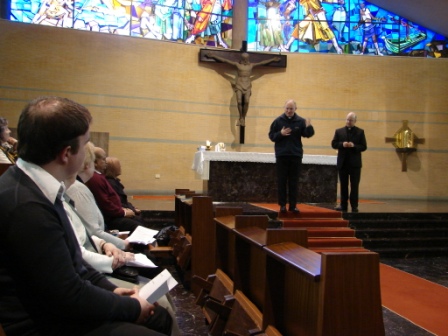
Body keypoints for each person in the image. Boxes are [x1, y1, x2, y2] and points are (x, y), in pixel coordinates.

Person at [0, 96, 172, 335]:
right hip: (41, 323)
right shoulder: (27, 206)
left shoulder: (39, 187)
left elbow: (74, 260)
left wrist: (110, 289)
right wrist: (131, 307)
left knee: (158, 317)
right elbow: (67, 295)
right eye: (85, 144)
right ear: (67, 153)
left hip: (57, 309)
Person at [205, 51, 281, 126]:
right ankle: (241, 117)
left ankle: (243, 117)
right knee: (239, 101)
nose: (245, 60)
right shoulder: (237, 65)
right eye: (244, 58)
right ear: (242, 58)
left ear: (248, 59)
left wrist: (273, 59)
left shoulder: (251, 65)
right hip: (239, 84)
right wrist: (213, 56)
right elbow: (225, 60)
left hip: (247, 85)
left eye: (246, 58)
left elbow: (263, 62)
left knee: (247, 101)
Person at [268, 99, 315, 213]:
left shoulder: (300, 121)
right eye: (287, 108)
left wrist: (309, 127)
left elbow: (307, 134)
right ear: (284, 108)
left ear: (295, 109)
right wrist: (280, 134)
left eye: (291, 109)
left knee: (294, 181)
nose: (289, 111)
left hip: (295, 155)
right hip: (282, 155)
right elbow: (271, 136)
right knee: (282, 181)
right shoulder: (278, 121)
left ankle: (293, 205)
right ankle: (283, 205)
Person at [86, 146, 142, 232]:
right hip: (111, 218)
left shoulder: (100, 177)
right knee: (137, 226)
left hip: (115, 214)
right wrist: (124, 212)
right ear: (96, 162)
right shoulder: (96, 179)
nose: (105, 162)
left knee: (138, 221)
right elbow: (105, 203)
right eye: (103, 159)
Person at [331, 112, 367, 213]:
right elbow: (334, 144)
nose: (348, 122)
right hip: (343, 163)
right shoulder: (339, 131)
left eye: (351, 120)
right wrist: (342, 144)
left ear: (355, 121)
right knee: (343, 185)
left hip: (355, 164)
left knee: (354, 185)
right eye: (347, 119)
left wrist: (353, 146)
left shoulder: (360, 132)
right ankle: (343, 205)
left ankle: (354, 206)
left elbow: (364, 146)